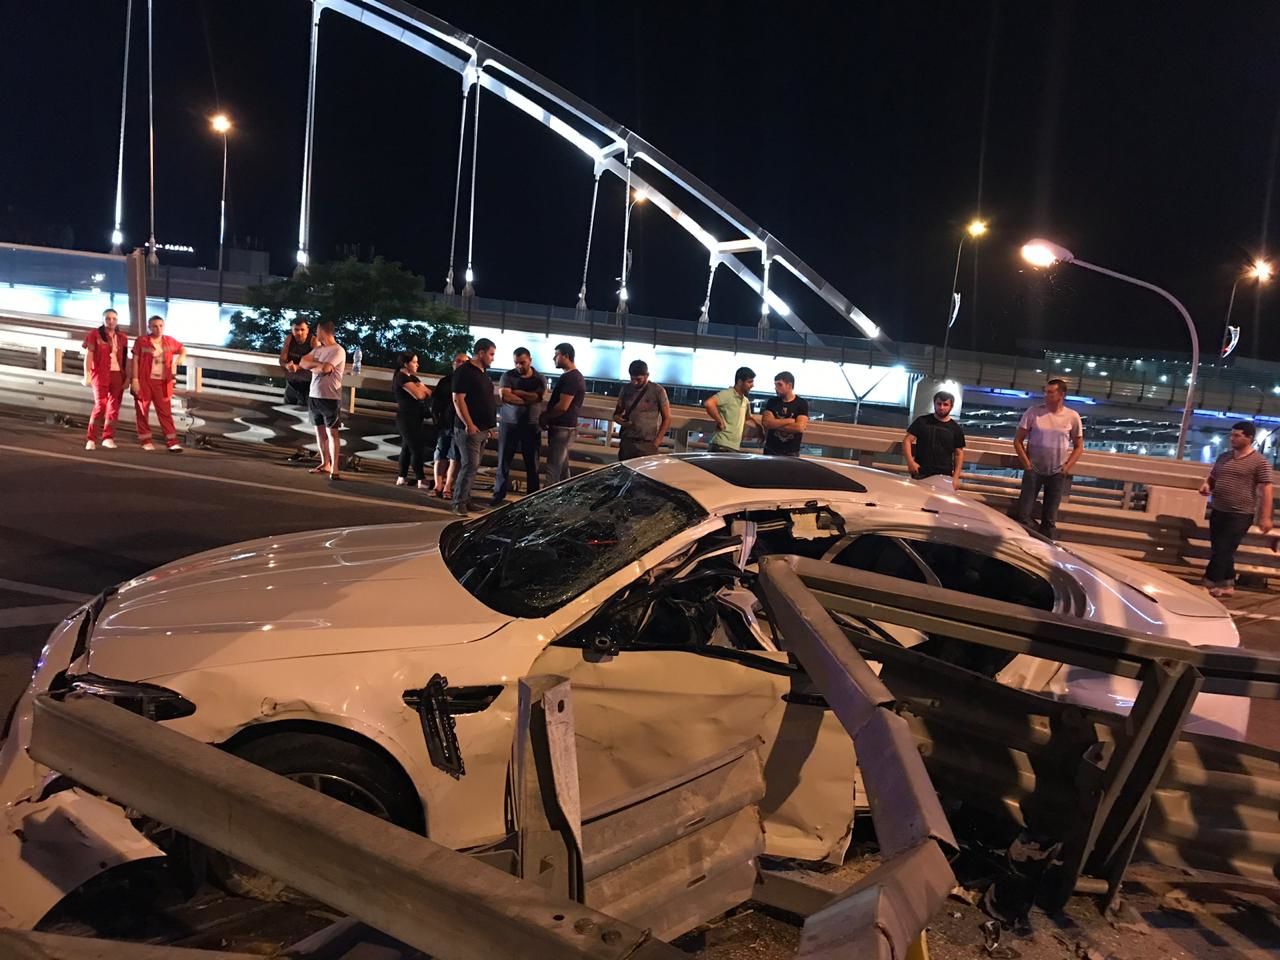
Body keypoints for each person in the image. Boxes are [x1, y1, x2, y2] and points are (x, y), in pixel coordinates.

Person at [1199, 421, 1274, 597]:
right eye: (1232, 435)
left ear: (1249, 438)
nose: (1232, 438)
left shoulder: (1259, 462)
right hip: (1219, 510)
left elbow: (1266, 489)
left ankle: (1209, 582)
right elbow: (1213, 476)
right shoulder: (1224, 457)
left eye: (1237, 435)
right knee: (1221, 549)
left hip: (1240, 513)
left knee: (1223, 549)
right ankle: (1227, 583)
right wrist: (1207, 485)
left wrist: (1265, 517)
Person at [1013, 378, 1084, 539]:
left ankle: (1047, 546)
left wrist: (1066, 467)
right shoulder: (1033, 412)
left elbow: (1079, 446)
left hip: (1057, 472)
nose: (1046, 395)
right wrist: (1027, 464)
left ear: (1061, 395)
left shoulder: (1072, 416)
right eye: (1045, 392)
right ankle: (1028, 541)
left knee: (1050, 518)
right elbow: (1018, 440)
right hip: (1033, 470)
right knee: (1023, 514)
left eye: (1050, 392)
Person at [491, 347, 547, 506]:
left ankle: (532, 497)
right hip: (509, 424)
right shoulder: (507, 375)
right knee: (503, 462)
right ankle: (498, 494)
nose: (519, 366)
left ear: (530, 360)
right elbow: (505, 396)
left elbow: (539, 397)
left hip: (531, 425)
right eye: (516, 363)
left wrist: (517, 392)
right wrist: (528, 398)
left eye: (522, 363)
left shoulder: (539, 378)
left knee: (532, 464)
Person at [451, 338, 498, 515]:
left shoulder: (482, 372)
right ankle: (459, 502)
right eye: (491, 354)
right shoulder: (464, 371)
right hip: (470, 428)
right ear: (481, 353)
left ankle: (465, 499)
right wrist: (468, 424)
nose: (493, 358)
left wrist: (489, 426)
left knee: (473, 467)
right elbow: (458, 399)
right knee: (469, 466)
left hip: (482, 428)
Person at [131, 314, 187, 451]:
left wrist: (181, 356)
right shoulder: (142, 341)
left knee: (165, 412)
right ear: (149, 327)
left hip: (162, 382)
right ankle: (145, 440)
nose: (158, 329)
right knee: (142, 411)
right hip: (145, 381)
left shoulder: (169, 341)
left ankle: (172, 441)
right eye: (155, 326)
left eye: (161, 326)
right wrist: (135, 379)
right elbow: (135, 361)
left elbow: (182, 348)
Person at [299, 320, 346, 480]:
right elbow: (303, 362)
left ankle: (335, 467)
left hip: (330, 397)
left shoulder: (338, 350)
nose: (315, 333)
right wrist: (317, 365)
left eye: (318, 330)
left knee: (332, 433)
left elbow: (326, 369)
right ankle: (325, 463)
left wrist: (315, 366)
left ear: (324, 331)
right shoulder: (318, 349)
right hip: (314, 395)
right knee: (319, 432)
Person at [82, 307, 129, 450]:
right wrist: (87, 374)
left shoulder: (122, 337)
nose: (111, 321)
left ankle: (108, 437)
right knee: (100, 405)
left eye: (114, 319)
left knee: (114, 407)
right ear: (103, 320)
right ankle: (91, 438)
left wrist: (127, 377)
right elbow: (89, 355)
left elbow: (125, 358)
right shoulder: (94, 334)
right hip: (100, 374)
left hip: (117, 374)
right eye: (108, 318)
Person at [538, 342, 585, 484]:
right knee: (563, 468)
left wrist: (545, 416)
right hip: (565, 427)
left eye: (556, 355)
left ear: (566, 356)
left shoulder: (571, 377)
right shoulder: (573, 376)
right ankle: (568, 493)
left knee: (553, 468)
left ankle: (547, 496)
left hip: (563, 428)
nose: (554, 358)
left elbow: (563, 406)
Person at [612, 359, 672, 461]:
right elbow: (616, 414)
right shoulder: (626, 389)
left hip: (647, 443)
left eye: (638, 379)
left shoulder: (658, 391)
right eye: (632, 379)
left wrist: (656, 442)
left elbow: (667, 418)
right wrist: (620, 420)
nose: (634, 382)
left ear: (647, 375)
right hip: (627, 441)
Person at [904, 390, 966, 487]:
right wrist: (910, 462)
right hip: (921, 472)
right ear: (934, 404)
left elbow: (959, 454)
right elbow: (907, 440)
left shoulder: (956, 429)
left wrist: (955, 478)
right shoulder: (922, 421)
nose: (941, 407)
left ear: (951, 406)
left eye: (945, 404)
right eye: (939, 404)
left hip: (944, 475)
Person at [392, 350, 432, 489]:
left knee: (407, 447)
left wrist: (421, 389)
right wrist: (420, 389)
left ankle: (401, 477)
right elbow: (419, 395)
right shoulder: (401, 377)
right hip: (407, 418)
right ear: (405, 364)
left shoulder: (413, 378)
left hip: (416, 417)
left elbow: (428, 392)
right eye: (414, 362)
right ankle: (421, 479)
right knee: (416, 448)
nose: (417, 365)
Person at [430, 352, 468, 499]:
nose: (460, 364)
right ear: (453, 363)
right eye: (458, 361)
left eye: (464, 362)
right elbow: (435, 401)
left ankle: (448, 487)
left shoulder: (469, 383)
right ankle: (437, 485)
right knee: (440, 454)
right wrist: (436, 418)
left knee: (455, 456)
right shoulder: (445, 381)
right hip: (444, 423)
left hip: (459, 424)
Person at [704, 366, 759, 453]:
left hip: (732, 447)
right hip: (721, 445)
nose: (752, 385)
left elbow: (748, 418)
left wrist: (761, 429)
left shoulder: (745, 400)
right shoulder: (728, 394)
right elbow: (709, 404)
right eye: (749, 382)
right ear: (740, 382)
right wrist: (720, 421)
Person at [761, 371, 810, 457]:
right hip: (771, 450)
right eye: (775, 385)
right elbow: (766, 422)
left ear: (789, 385)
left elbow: (799, 427)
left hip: (791, 452)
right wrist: (789, 421)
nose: (776, 388)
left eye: (779, 385)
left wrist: (774, 424)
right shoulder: (772, 402)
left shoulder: (801, 403)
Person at [279, 319, 316, 406]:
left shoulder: (314, 341)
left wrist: (298, 367)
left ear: (307, 330)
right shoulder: (289, 339)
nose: (299, 333)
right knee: (287, 408)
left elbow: (317, 363)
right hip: (292, 383)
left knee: (306, 410)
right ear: (292, 330)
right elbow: (282, 360)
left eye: (302, 330)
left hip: (308, 384)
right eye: (296, 330)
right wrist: (287, 365)